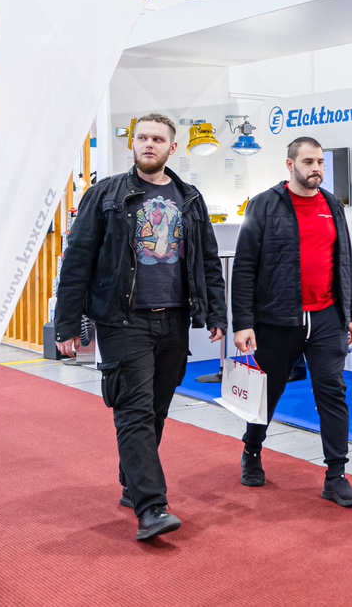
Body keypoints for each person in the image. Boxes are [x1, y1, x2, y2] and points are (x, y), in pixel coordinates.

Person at [54, 113, 227, 541]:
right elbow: (77, 261)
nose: (149, 144)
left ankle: (133, 482)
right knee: (133, 410)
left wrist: (217, 315)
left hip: (175, 318)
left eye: (158, 139)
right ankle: (151, 507)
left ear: (172, 147)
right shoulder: (105, 194)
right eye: (142, 138)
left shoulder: (190, 198)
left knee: (156, 410)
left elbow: (207, 262)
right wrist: (67, 323)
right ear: (133, 143)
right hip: (122, 319)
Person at [232, 136, 352, 507]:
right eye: (308, 162)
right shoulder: (263, 205)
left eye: (320, 161)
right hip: (278, 318)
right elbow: (244, 267)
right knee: (268, 392)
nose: (316, 168)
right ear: (290, 165)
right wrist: (243, 322)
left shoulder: (332, 205)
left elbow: (343, 261)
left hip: (326, 317)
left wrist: (349, 311)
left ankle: (336, 476)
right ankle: (252, 450)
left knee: (332, 393)